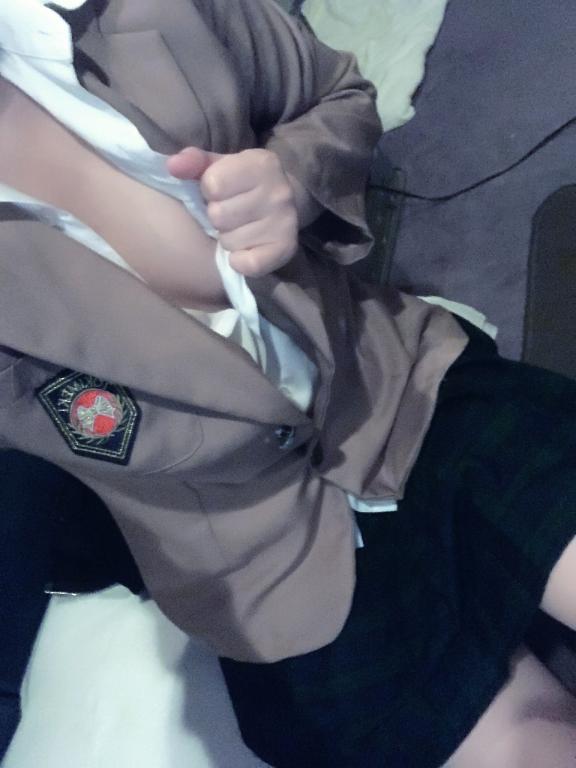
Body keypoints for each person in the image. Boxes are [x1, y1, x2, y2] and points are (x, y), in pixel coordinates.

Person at [0, 1, 576, 767]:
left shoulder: (139, 12)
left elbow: (336, 93)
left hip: (394, 386)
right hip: (258, 567)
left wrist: (292, 177)